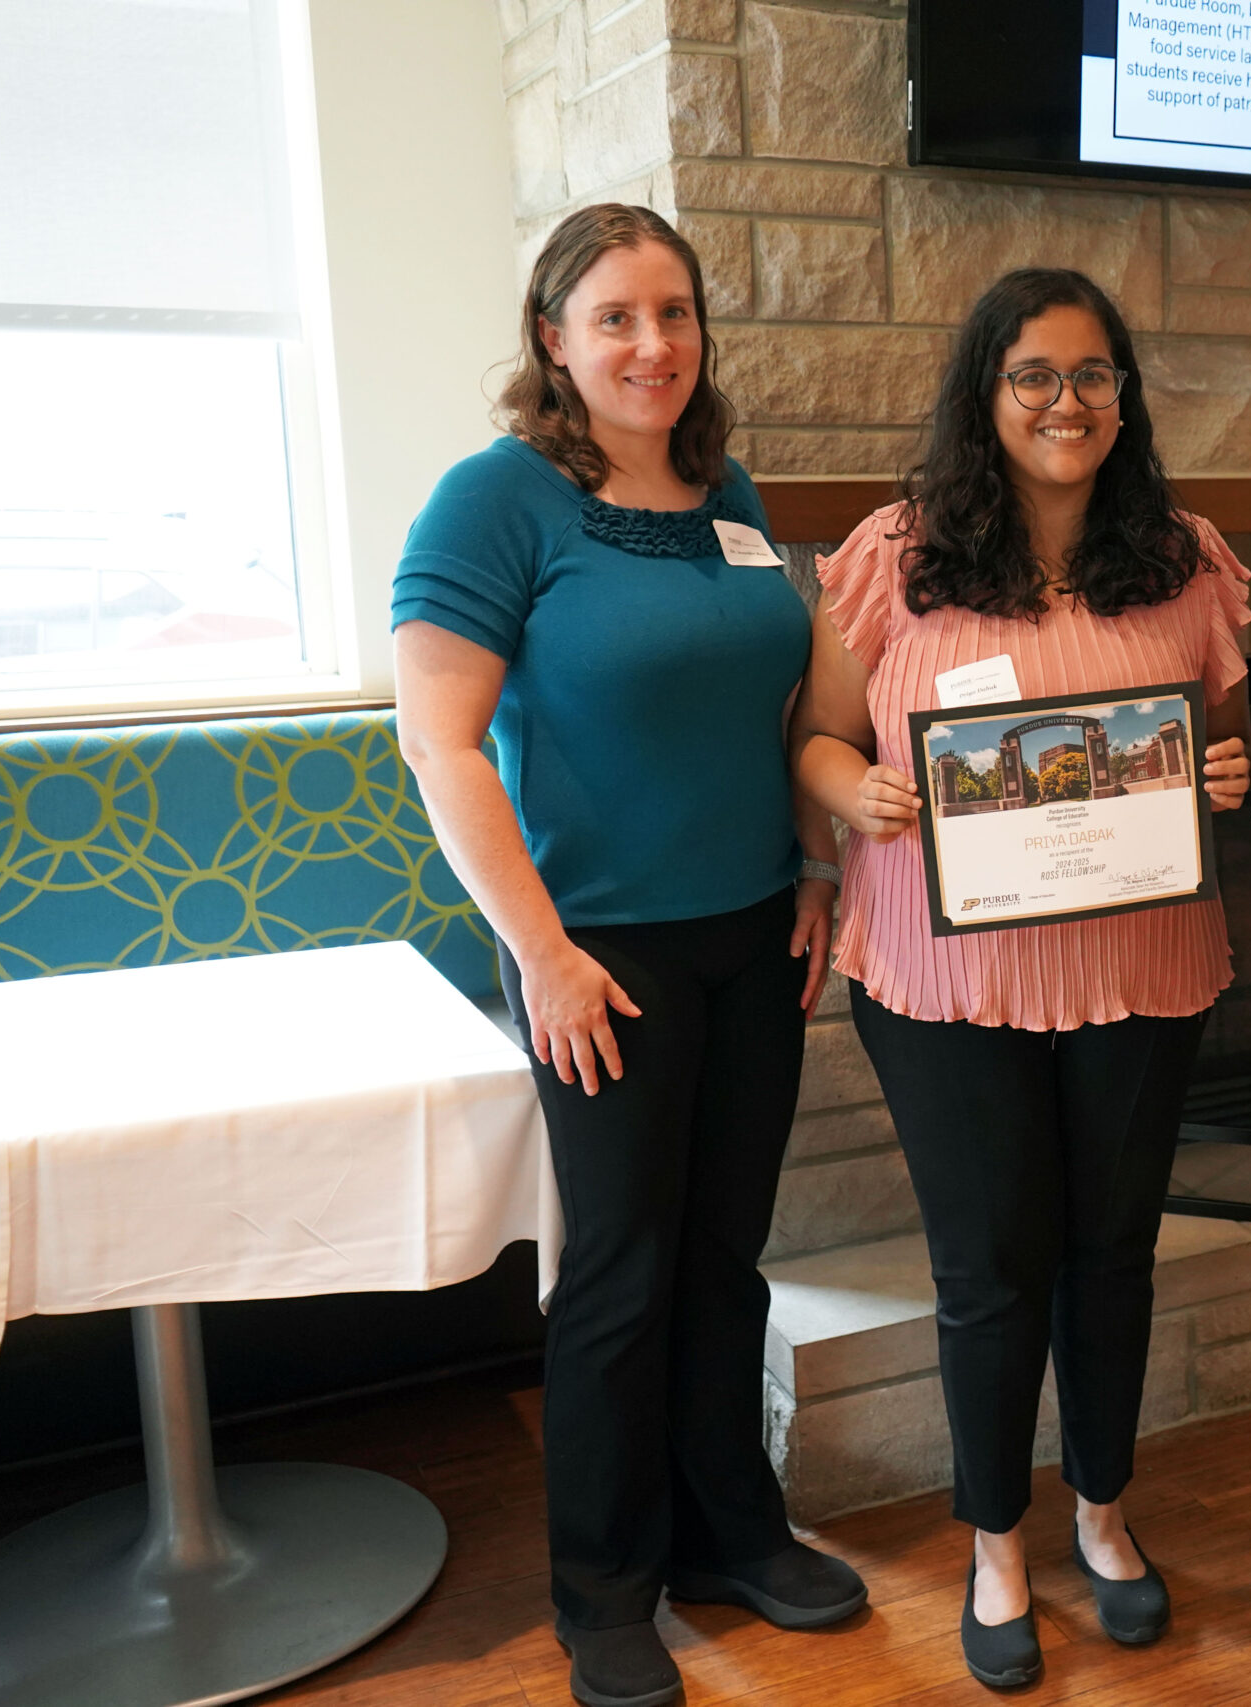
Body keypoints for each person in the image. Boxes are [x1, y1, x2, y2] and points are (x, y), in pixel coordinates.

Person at [391, 203, 865, 1707]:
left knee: (726, 1260)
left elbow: (780, 713)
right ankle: (605, 1585)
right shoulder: (496, 502)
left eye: (674, 313)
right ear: (553, 339)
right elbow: (439, 742)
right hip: (598, 958)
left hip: (750, 938)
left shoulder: (728, 488)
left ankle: (732, 1534)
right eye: (614, 317)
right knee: (618, 1274)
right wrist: (540, 954)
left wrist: (809, 867)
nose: (651, 344)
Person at [790, 267, 1251, 1690]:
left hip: (1142, 966)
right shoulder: (892, 554)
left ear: (1126, 394)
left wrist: (1223, 775)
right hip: (945, 986)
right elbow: (814, 741)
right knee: (990, 1272)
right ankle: (997, 1542)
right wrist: (851, 791)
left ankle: (1103, 1519)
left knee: (1113, 1254)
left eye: (1095, 374)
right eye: (1035, 375)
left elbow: (1217, 740)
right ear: (986, 394)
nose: (1068, 402)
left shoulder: (1184, 555)